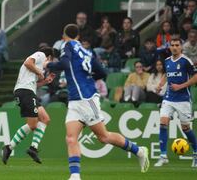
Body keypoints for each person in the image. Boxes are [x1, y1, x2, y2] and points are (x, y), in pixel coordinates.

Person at [46, 24, 149, 180]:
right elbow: (102, 72)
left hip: (86, 99)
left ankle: (139, 150)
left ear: (63, 36)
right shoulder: (87, 52)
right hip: (75, 100)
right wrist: (86, 79)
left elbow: (65, 64)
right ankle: (75, 176)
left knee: (104, 137)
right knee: (70, 138)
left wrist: (49, 65)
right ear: (78, 36)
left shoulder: (67, 45)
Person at [1, 47, 56, 165]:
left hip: (28, 91)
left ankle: (32, 148)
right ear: (49, 57)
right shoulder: (40, 54)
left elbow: (35, 83)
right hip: (25, 92)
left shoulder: (37, 66)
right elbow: (27, 63)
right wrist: (39, 72)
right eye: (50, 61)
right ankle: (10, 147)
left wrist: (45, 81)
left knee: (45, 119)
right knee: (32, 124)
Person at [154, 37, 197, 167]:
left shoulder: (185, 61)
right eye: (172, 45)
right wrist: (160, 84)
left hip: (183, 100)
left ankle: (195, 153)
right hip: (168, 98)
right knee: (163, 123)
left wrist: (181, 86)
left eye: (177, 45)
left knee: (186, 128)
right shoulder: (167, 61)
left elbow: (195, 77)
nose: (174, 47)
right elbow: (167, 74)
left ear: (181, 47)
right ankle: (163, 155)